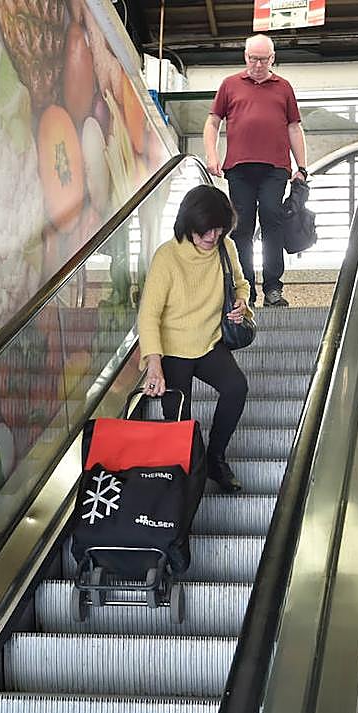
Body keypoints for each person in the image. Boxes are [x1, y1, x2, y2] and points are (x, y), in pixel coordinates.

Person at [139, 185, 252, 494]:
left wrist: (243, 304)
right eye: (207, 231)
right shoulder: (168, 257)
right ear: (190, 223)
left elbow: (241, 284)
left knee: (236, 387)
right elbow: (148, 315)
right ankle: (185, 476)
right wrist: (154, 364)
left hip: (208, 343)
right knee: (179, 421)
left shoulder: (225, 248)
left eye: (220, 230)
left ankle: (215, 457)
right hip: (173, 350)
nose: (213, 237)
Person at [203, 33, 309, 309]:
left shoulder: (283, 87)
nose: (258, 64)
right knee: (242, 227)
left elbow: (294, 127)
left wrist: (302, 167)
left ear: (272, 58)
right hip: (239, 167)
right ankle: (245, 289)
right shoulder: (230, 85)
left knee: (272, 218)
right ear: (245, 56)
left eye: (263, 59)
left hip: (275, 167)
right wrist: (212, 156)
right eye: (253, 58)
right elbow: (213, 122)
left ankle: (273, 288)